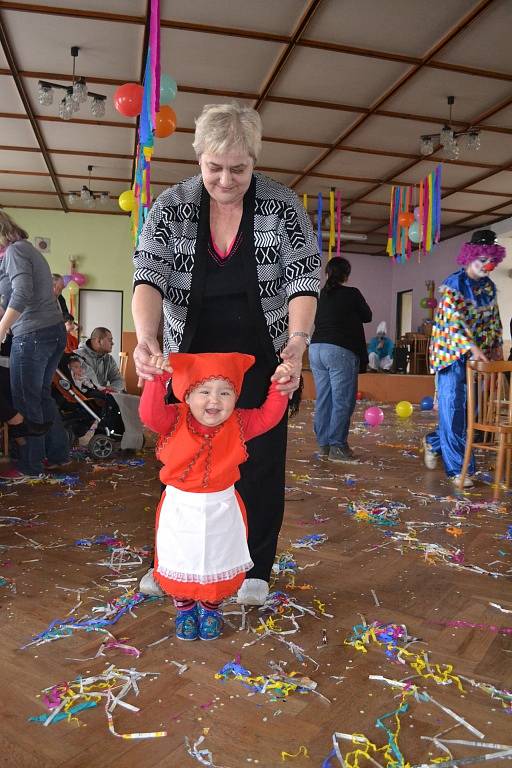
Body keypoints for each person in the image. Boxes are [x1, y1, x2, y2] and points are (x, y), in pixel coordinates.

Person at [132, 103, 320, 605]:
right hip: (190, 356)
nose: (226, 179)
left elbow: (304, 279)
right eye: (214, 167)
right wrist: (146, 338)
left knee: (258, 459)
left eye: (239, 168)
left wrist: (297, 344)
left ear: (255, 162)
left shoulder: (282, 207)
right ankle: (173, 564)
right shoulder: (171, 206)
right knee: (184, 461)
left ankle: (254, 566)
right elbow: (147, 277)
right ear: (198, 158)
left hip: (262, 354)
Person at [140, 352, 291, 640]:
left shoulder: (240, 422)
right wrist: (156, 380)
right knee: (181, 557)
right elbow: (150, 414)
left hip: (222, 508)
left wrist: (279, 388)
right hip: (180, 508)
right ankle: (184, 607)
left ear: (236, 397)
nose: (215, 400)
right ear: (187, 394)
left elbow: (268, 417)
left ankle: (211, 606)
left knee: (218, 560)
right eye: (204, 391)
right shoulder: (174, 418)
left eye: (225, 392)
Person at [424, 229, 504, 488]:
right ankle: (459, 470)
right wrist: (471, 347)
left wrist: (496, 347)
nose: (487, 266)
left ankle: (433, 442)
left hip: (477, 359)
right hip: (450, 356)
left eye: (491, 261)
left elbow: (493, 320)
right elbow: (452, 323)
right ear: (470, 257)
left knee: (472, 413)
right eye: (482, 260)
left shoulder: (489, 287)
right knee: (453, 409)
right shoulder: (453, 284)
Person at [0, 211, 70, 478]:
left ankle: (31, 465)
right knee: (40, 397)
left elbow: (22, 292)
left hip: (33, 334)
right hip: (48, 332)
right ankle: (57, 454)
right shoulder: (20, 251)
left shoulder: (15, 252)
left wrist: (3, 328)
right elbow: (9, 300)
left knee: (26, 399)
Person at [309, 257, 372, 462]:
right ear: (346, 275)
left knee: (324, 399)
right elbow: (367, 316)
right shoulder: (351, 293)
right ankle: (337, 446)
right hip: (339, 350)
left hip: (316, 349)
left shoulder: (319, 295)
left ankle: (324, 446)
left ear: (327, 274)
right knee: (342, 401)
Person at [76, 327, 124, 392]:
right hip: (84, 398)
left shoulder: (109, 359)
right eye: (110, 340)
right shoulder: (77, 357)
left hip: (102, 397)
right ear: (98, 341)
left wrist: (110, 388)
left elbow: (118, 380)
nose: (112, 343)